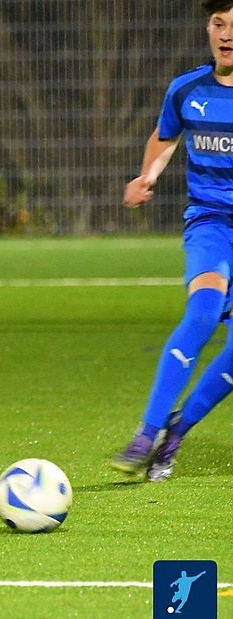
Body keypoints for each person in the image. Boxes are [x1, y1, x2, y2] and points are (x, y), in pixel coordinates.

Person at [112, 0, 233, 481]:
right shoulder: (188, 89)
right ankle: (147, 430)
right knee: (202, 312)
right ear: (208, 28)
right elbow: (164, 137)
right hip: (211, 226)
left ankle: (177, 431)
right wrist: (147, 175)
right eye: (218, 24)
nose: (226, 34)